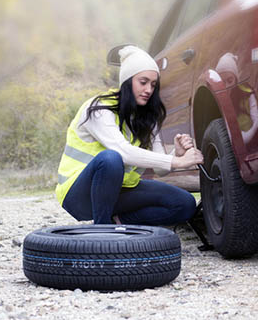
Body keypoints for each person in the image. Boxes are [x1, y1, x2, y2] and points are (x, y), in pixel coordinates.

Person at [55, 45, 204, 225]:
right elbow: (122, 152)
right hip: (78, 195)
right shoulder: (99, 109)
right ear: (127, 81)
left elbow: (160, 170)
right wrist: (178, 162)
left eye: (153, 84)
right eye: (143, 82)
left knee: (184, 204)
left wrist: (176, 154)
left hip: (120, 191)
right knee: (110, 158)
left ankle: (117, 222)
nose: (149, 89)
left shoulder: (148, 118)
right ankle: (102, 231)